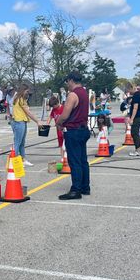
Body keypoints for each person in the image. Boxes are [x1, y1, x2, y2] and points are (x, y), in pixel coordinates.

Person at [56, 71, 91, 199]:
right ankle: (85, 187)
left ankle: (76, 189)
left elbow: (65, 114)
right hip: (83, 129)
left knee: (75, 161)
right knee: (83, 160)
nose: (67, 85)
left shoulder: (73, 95)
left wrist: (58, 123)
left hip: (73, 130)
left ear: (71, 80)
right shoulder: (84, 93)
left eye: (67, 82)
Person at [11, 84, 43, 167]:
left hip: (21, 121)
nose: (28, 92)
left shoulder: (18, 98)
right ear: (23, 90)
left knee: (22, 142)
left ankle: (23, 159)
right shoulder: (20, 99)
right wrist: (37, 121)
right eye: (27, 91)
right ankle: (16, 161)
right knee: (18, 142)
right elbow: (28, 112)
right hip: (19, 121)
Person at [127, 85, 140, 157]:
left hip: (137, 116)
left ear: (132, 88)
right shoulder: (139, 94)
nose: (128, 92)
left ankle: (138, 150)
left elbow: (135, 108)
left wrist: (131, 119)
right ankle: (138, 149)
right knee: (134, 132)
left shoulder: (136, 96)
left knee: (134, 133)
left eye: (129, 90)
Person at [46, 95, 65, 160]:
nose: (53, 108)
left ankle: (67, 157)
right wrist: (47, 124)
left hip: (64, 129)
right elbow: (50, 117)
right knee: (61, 145)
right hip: (58, 130)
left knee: (66, 144)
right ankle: (62, 158)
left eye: (53, 106)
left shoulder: (63, 108)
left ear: (57, 103)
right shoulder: (54, 110)